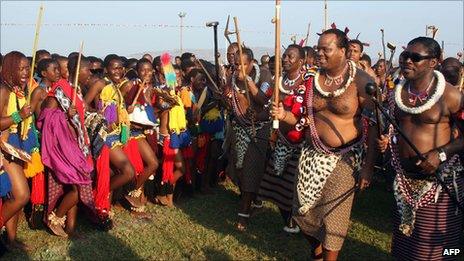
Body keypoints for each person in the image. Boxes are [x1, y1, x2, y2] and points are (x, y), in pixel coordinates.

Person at [271, 29, 377, 260]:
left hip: (345, 158)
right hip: (310, 155)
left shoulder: (362, 81)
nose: (319, 53)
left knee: (334, 219)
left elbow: (374, 126)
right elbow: (299, 119)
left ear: (343, 51)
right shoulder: (310, 79)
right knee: (303, 213)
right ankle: (316, 252)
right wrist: (283, 115)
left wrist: (368, 167)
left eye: (325, 49)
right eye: (318, 48)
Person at [377, 37, 464, 260]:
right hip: (403, 181)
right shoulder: (396, 93)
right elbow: (391, 128)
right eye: (405, 56)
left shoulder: (451, 95)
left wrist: (441, 153)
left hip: (439, 185)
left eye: (415, 57)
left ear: (433, 62)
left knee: (437, 250)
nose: (407, 61)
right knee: (404, 246)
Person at [258, 44, 306, 234]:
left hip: (302, 143)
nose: (285, 59)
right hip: (281, 140)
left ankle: (300, 222)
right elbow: (263, 100)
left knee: (296, 187)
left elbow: (304, 115)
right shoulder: (277, 81)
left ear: (301, 61)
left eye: (290, 57)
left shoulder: (308, 84)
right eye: (284, 56)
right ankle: (288, 221)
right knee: (276, 182)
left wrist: (285, 115)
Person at [224, 47, 273, 231]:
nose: (239, 68)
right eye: (236, 64)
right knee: (238, 167)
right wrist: (228, 97)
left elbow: (262, 100)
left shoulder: (265, 76)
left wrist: (249, 82)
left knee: (250, 167)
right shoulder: (232, 77)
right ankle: (256, 198)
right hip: (239, 128)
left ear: (252, 63)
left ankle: (243, 213)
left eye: (243, 64)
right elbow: (230, 102)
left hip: (258, 128)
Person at [84, 54, 136, 217]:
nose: (118, 71)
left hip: (117, 133)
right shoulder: (100, 83)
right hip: (105, 136)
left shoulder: (116, 86)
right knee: (128, 171)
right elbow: (84, 103)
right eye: (115, 67)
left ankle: (103, 208)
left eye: (121, 68)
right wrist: (96, 112)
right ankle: (93, 196)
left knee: (112, 173)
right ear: (106, 69)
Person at [0, 51, 34, 250]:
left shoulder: (19, 90)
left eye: (27, 68)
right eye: (20, 68)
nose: (25, 72)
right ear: (10, 68)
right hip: (5, 148)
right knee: (22, 195)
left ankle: (11, 239)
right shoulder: (3, 90)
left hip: (17, 146)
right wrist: (19, 116)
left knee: (14, 198)